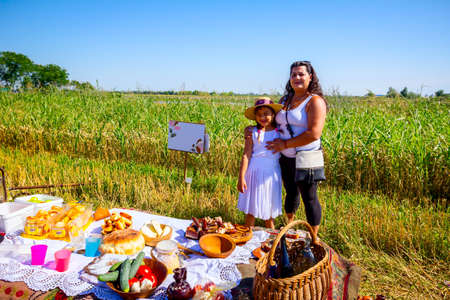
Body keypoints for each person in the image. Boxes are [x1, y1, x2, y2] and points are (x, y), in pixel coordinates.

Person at [256, 61, 327, 236]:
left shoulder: (315, 101)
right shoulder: (285, 100)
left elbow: (314, 133)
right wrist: (253, 130)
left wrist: (285, 144)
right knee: (290, 192)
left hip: (306, 157)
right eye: (293, 74)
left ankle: (314, 237)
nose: (297, 78)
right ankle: (289, 226)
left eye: (301, 74)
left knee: (309, 198)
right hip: (285, 156)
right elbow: (270, 120)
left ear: (310, 77)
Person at [237, 97, 284, 229]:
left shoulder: (280, 132)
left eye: (266, 114)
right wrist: (241, 177)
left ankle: (272, 242)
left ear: (273, 115)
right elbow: (246, 154)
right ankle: (246, 237)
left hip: (271, 173)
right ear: (255, 117)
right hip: (254, 172)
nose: (262, 117)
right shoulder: (252, 132)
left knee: (269, 213)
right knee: (251, 212)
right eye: (259, 114)